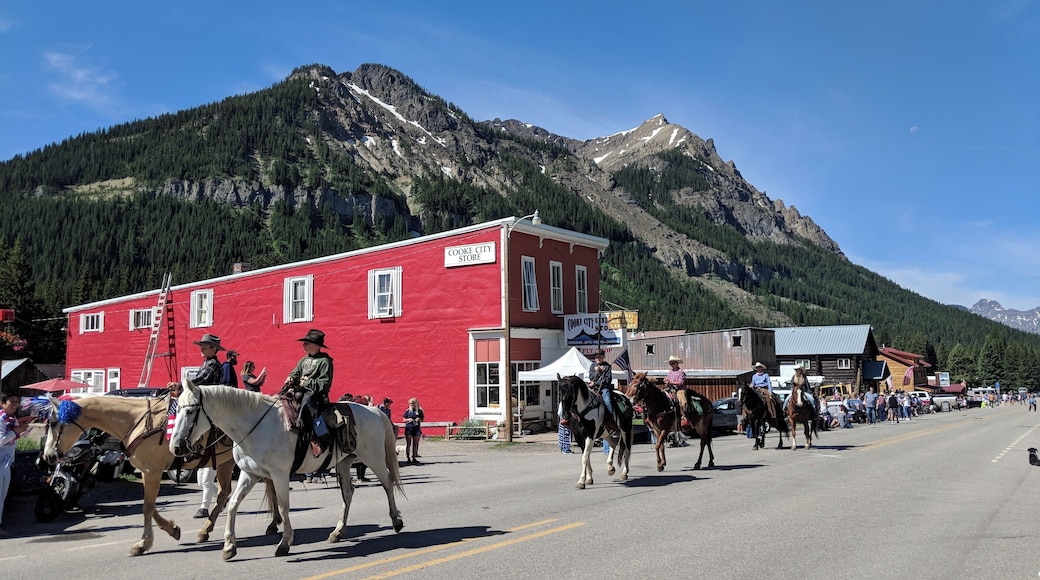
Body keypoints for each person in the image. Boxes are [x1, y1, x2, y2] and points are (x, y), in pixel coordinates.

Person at [191, 333, 225, 520]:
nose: (202, 349)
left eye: (205, 346)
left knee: (205, 478)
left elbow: (199, 381)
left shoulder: (212, 365)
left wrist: (182, 385)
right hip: (203, 407)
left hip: (210, 409)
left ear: (214, 349)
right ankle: (223, 497)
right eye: (201, 346)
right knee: (201, 479)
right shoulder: (206, 364)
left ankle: (205, 507)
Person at [284, 329, 334, 455]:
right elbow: (295, 372)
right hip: (300, 391)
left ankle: (322, 435)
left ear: (316, 346)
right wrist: (290, 378)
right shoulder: (303, 360)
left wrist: (306, 383)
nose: (304, 345)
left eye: (307, 343)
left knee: (308, 400)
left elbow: (324, 384)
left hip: (316, 395)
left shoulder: (325, 361)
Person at [0, 392, 26, 535]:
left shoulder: (12, 419)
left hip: (7, 461)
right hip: (1, 460)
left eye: (17, 401)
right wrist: (15, 431)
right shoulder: (1, 419)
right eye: (12, 401)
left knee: (2, 496)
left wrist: (23, 429)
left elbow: (14, 437)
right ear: (2, 403)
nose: (15, 404)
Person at [587, 350, 614, 422]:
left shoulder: (607, 366)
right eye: (596, 356)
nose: (598, 358)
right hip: (593, 388)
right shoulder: (593, 365)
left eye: (599, 356)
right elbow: (591, 376)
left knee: (607, 400)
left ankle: (611, 418)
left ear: (603, 357)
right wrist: (597, 372)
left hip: (603, 388)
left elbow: (607, 379)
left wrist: (596, 383)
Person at [403, 398, 424, 464]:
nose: (411, 406)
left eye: (412, 404)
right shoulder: (408, 411)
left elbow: (422, 419)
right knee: (408, 443)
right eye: (410, 404)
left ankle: (414, 457)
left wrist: (419, 419)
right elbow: (403, 419)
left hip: (416, 428)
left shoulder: (419, 411)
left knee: (415, 443)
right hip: (409, 428)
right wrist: (409, 419)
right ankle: (408, 458)